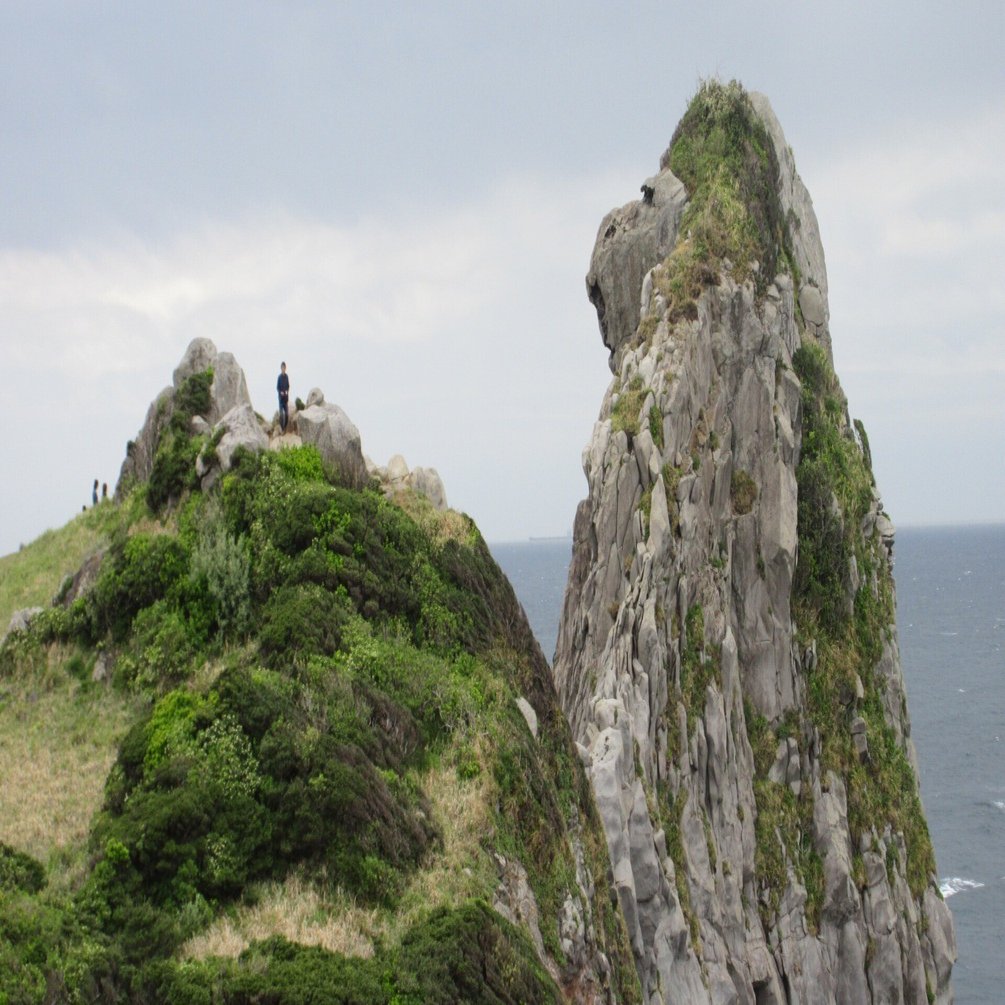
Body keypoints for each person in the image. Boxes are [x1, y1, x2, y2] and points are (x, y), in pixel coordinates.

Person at [277, 362, 290, 433]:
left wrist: (287, 391)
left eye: (284, 367)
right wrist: (281, 392)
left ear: (285, 368)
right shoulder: (279, 377)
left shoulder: (286, 376)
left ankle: (284, 428)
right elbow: (277, 387)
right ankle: (282, 429)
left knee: (287, 415)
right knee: (281, 415)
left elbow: (288, 386)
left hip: (286, 398)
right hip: (281, 399)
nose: (283, 369)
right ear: (281, 368)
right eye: (282, 367)